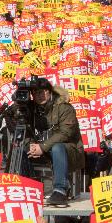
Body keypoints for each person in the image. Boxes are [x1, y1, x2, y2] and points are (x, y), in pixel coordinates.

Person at [24, 77, 85, 207]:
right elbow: (21, 128)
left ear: (49, 91)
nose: (39, 96)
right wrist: (32, 146)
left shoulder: (64, 107)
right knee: (21, 148)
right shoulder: (31, 109)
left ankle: (60, 190)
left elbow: (66, 133)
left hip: (69, 151)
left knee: (57, 147)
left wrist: (43, 147)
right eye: (35, 93)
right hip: (44, 149)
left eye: (42, 92)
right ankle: (24, 187)